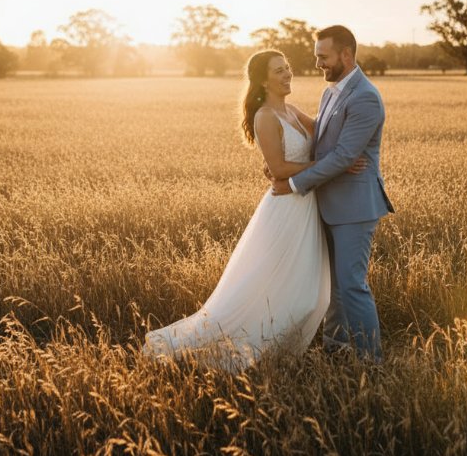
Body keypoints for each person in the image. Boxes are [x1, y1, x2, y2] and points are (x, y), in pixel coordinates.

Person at [142, 50, 364, 371]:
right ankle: (246, 350)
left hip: (307, 207)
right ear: (263, 81)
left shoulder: (291, 110)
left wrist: (351, 118)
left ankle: (277, 356)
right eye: (279, 71)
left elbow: (325, 134)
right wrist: (334, 164)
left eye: (287, 67)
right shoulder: (265, 116)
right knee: (298, 295)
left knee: (313, 294)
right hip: (286, 208)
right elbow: (279, 168)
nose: (287, 74)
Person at [271, 25, 394, 362]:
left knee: (352, 285)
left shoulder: (365, 97)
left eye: (323, 57)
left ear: (346, 54)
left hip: (355, 207)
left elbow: (343, 156)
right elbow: (324, 147)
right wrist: (282, 166)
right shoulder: (331, 92)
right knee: (335, 286)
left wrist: (292, 183)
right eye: (317, 57)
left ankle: (372, 361)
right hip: (328, 203)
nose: (318, 64)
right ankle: (335, 349)